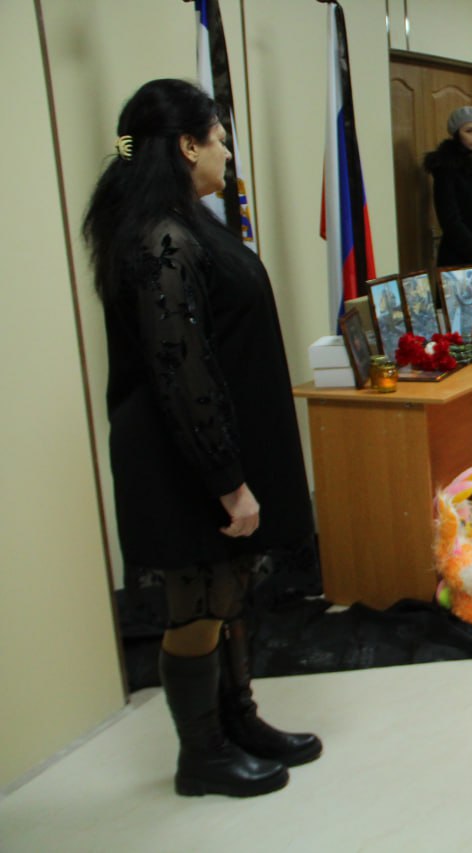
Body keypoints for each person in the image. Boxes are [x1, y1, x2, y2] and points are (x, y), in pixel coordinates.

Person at [81, 79, 320, 798]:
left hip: (210, 450)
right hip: (180, 463)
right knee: (198, 604)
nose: (225, 152)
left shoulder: (186, 222)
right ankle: (203, 753)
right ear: (187, 146)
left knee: (227, 592)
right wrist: (228, 480)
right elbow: (180, 372)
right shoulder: (161, 238)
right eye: (218, 138)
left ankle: (239, 720)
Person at [423, 106, 472, 303]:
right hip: (458, 255)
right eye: (469, 131)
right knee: (458, 313)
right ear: (457, 133)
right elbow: (450, 220)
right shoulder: (446, 167)